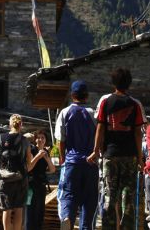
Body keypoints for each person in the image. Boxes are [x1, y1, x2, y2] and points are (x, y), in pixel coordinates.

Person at [88, 67, 145, 230]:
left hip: (110, 156)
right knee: (128, 197)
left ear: (113, 83)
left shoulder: (106, 102)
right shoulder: (135, 104)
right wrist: (140, 158)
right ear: (129, 84)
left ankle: (108, 226)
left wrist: (95, 150)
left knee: (109, 196)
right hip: (130, 156)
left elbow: (100, 128)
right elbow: (137, 134)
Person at [56, 80, 99, 230]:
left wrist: (62, 158)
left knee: (68, 194)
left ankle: (67, 216)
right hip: (90, 163)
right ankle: (86, 226)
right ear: (86, 95)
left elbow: (61, 140)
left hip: (72, 162)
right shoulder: (93, 113)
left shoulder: (65, 112)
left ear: (72, 95)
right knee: (89, 200)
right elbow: (99, 138)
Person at [0, 114, 33, 229]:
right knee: (18, 209)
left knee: (6, 210)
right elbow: (29, 162)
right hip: (20, 177)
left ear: (9, 124)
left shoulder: (2, 137)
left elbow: (0, 158)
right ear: (21, 125)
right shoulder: (25, 141)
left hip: (5, 177)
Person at [25, 129, 53, 230]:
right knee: (30, 213)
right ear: (35, 139)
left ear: (45, 140)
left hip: (41, 186)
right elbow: (28, 168)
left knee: (40, 213)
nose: (40, 140)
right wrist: (38, 156)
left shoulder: (46, 152)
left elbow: (52, 169)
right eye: (38, 138)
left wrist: (47, 158)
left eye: (43, 138)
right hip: (31, 186)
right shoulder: (31, 150)